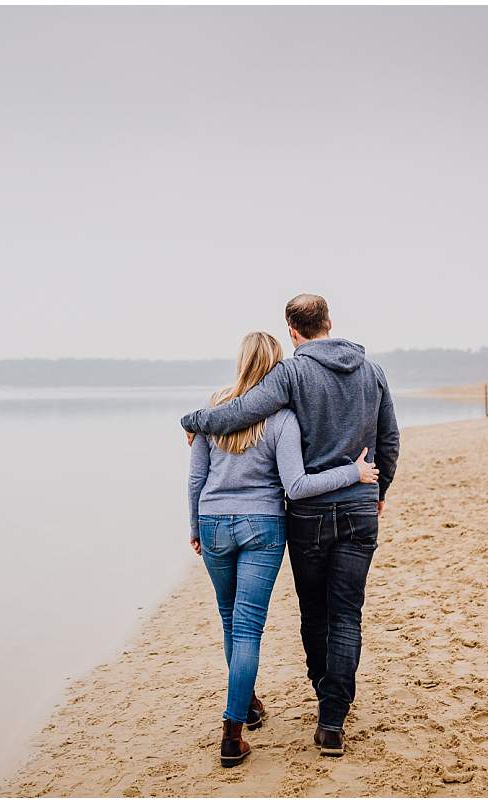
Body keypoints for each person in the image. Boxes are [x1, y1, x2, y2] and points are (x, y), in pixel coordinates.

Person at [181, 294, 400, 758]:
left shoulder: (293, 372)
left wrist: (194, 420)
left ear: (293, 332)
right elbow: (389, 440)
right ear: (329, 322)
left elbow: (241, 412)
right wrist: (377, 493)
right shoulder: (373, 371)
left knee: (315, 614)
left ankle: (318, 694)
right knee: (347, 614)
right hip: (359, 507)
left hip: (309, 515)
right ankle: (332, 723)